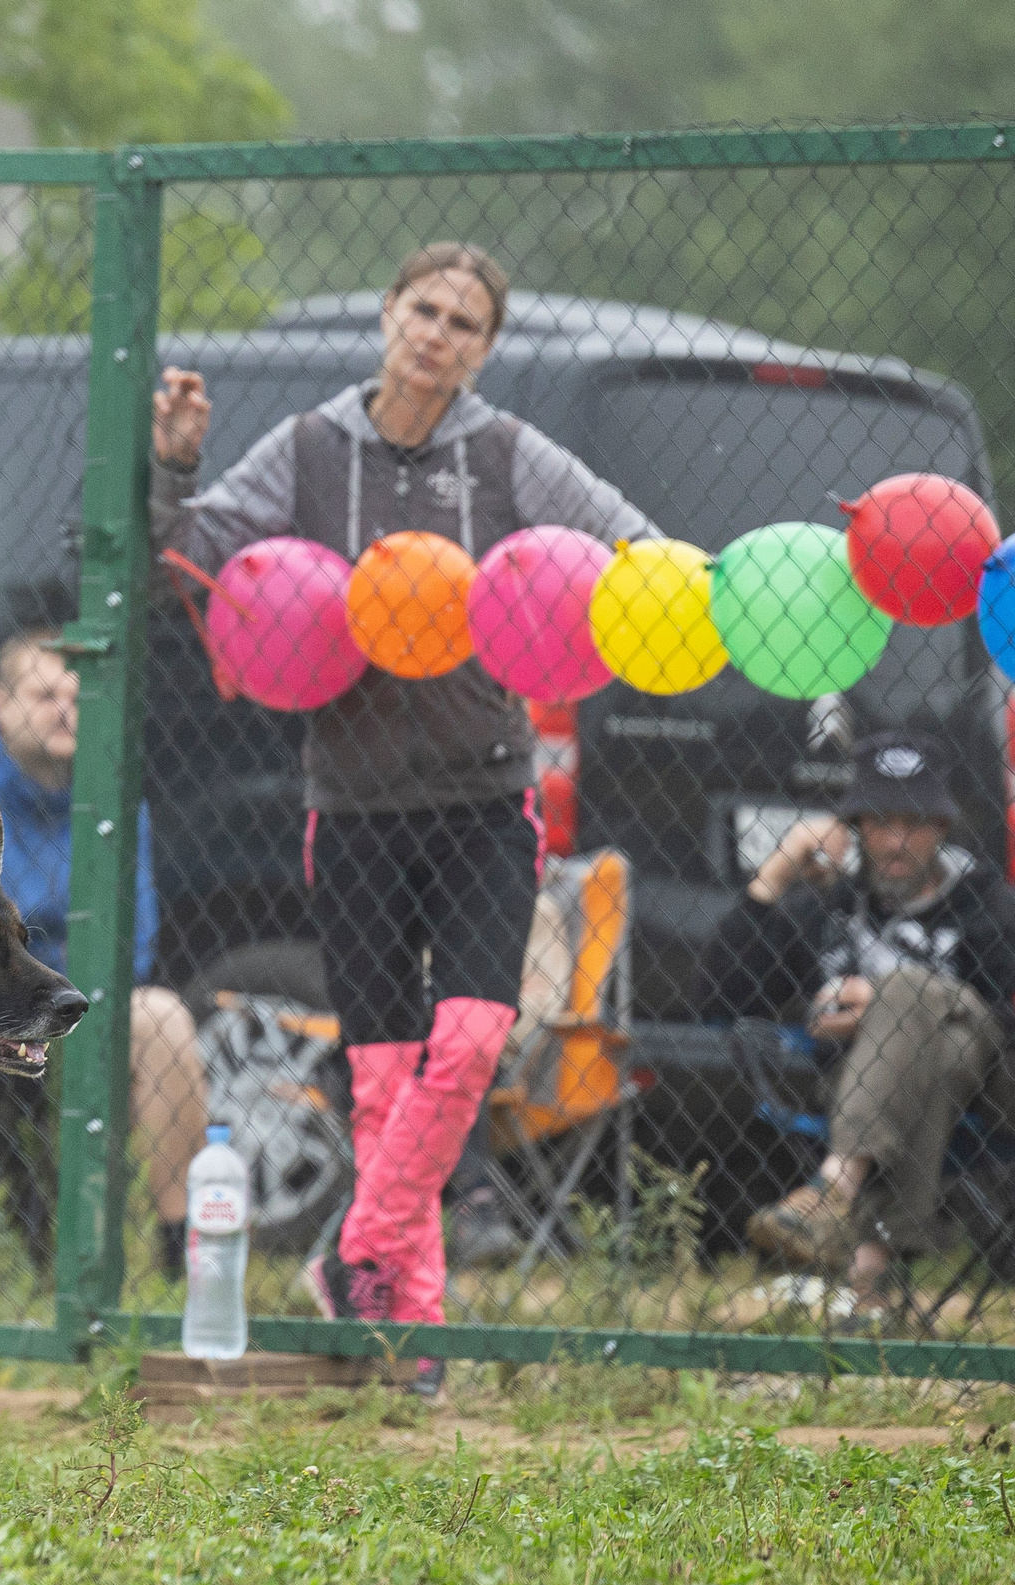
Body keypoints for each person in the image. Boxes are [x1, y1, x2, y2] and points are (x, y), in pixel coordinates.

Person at [149, 240, 655, 1392]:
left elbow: (629, 542)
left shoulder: (508, 453)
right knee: (382, 1082)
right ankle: (410, 1342)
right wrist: (174, 466)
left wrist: (687, 582)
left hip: (483, 797)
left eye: (463, 324)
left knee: (471, 1040)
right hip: (357, 806)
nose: (437, 334)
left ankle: (353, 1248)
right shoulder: (310, 449)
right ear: (386, 315)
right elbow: (192, 555)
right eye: (422, 309)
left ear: (484, 348)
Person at [0, 629, 207, 1313]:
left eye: (78, 698)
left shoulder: (114, 800)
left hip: (72, 997)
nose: (64, 712)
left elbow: (131, 940)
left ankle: (182, 1253)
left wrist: (47, 996)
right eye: (45, 694)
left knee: (165, 1016)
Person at [703, 730, 1015, 1314]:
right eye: (880, 822)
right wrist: (778, 872)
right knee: (932, 1058)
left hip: (989, 1080)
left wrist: (894, 1004)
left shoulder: (983, 899)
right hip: (877, 1091)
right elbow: (721, 994)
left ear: (942, 827)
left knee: (911, 993)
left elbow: (1006, 1015)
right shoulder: (832, 906)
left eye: (916, 823)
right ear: (855, 827)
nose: (898, 840)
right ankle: (868, 1282)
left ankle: (833, 1190)